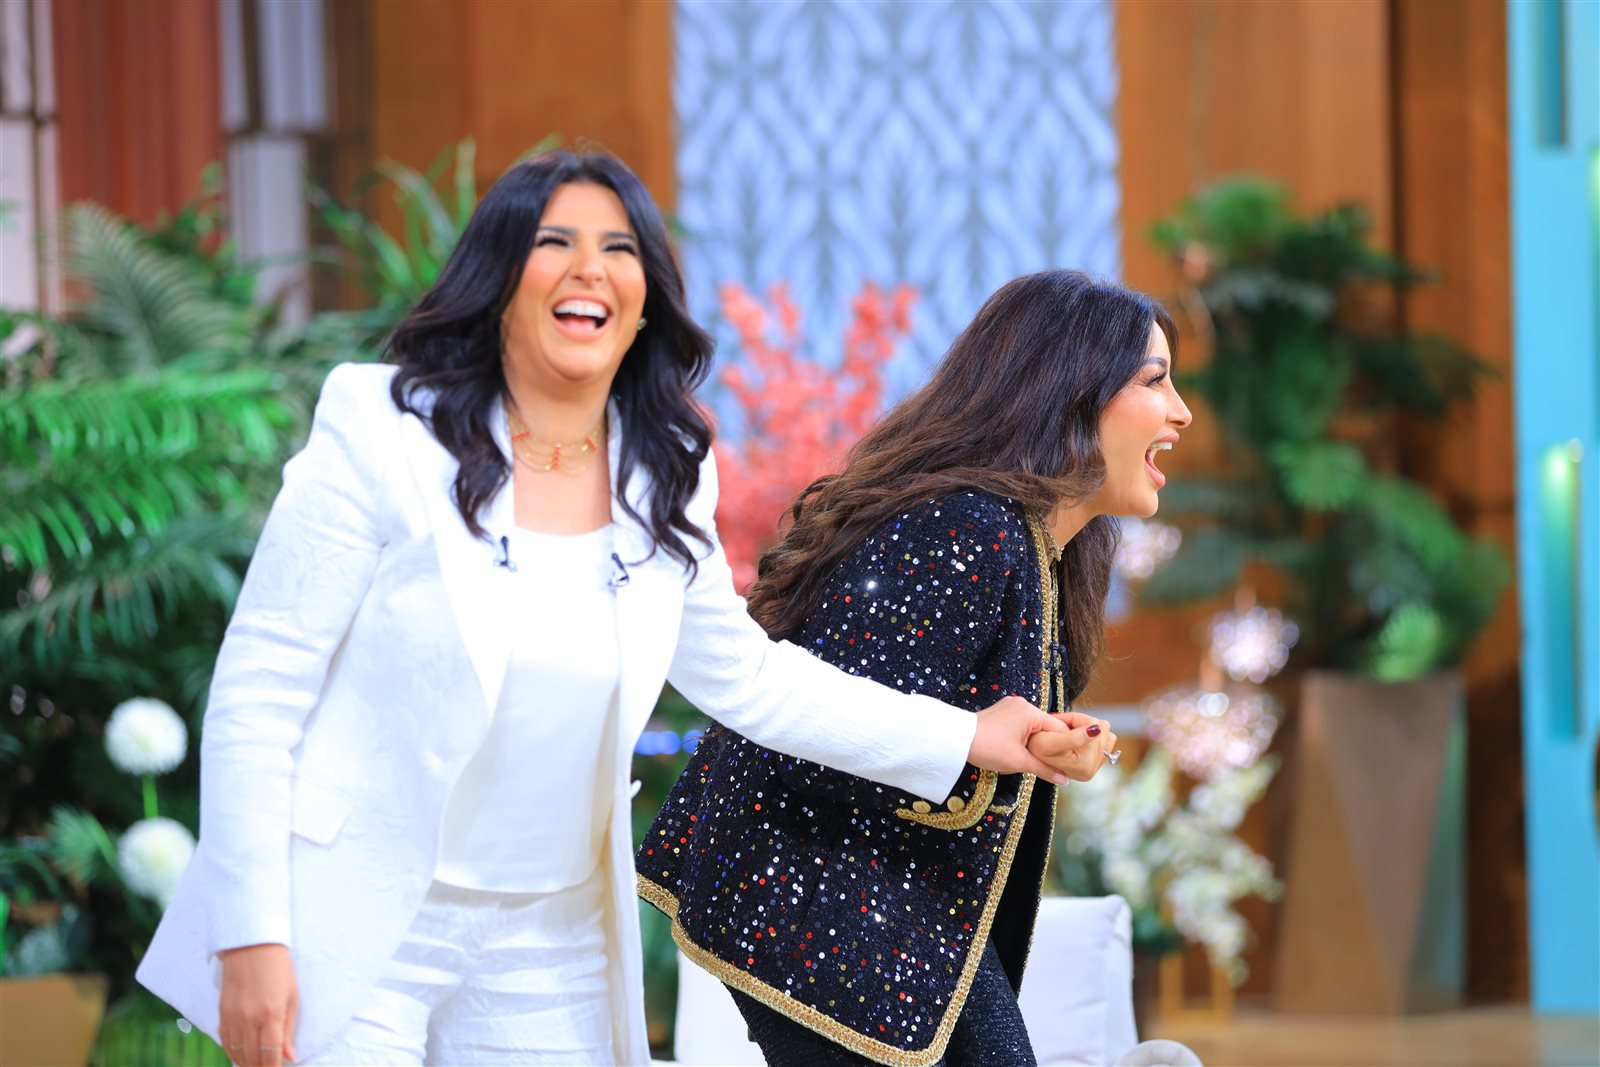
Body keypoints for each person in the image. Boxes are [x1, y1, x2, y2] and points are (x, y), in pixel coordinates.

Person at [135, 151, 1080, 1067]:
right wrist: (251, 932)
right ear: (498, 281)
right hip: (358, 911)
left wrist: (966, 735)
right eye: (555, 241)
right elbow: (261, 687)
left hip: (546, 934)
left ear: (643, 302)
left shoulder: (665, 470)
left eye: (619, 248)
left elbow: (749, 679)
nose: (590, 267)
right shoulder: (385, 427)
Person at [638, 269, 1193, 1066]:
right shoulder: (968, 529)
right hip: (821, 898)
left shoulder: (1040, 551)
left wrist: (1026, 744)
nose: (1180, 410)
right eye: (1155, 379)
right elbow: (805, 735)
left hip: (898, 902)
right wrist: (972, 740)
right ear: (1071, 388)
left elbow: (928, 717)